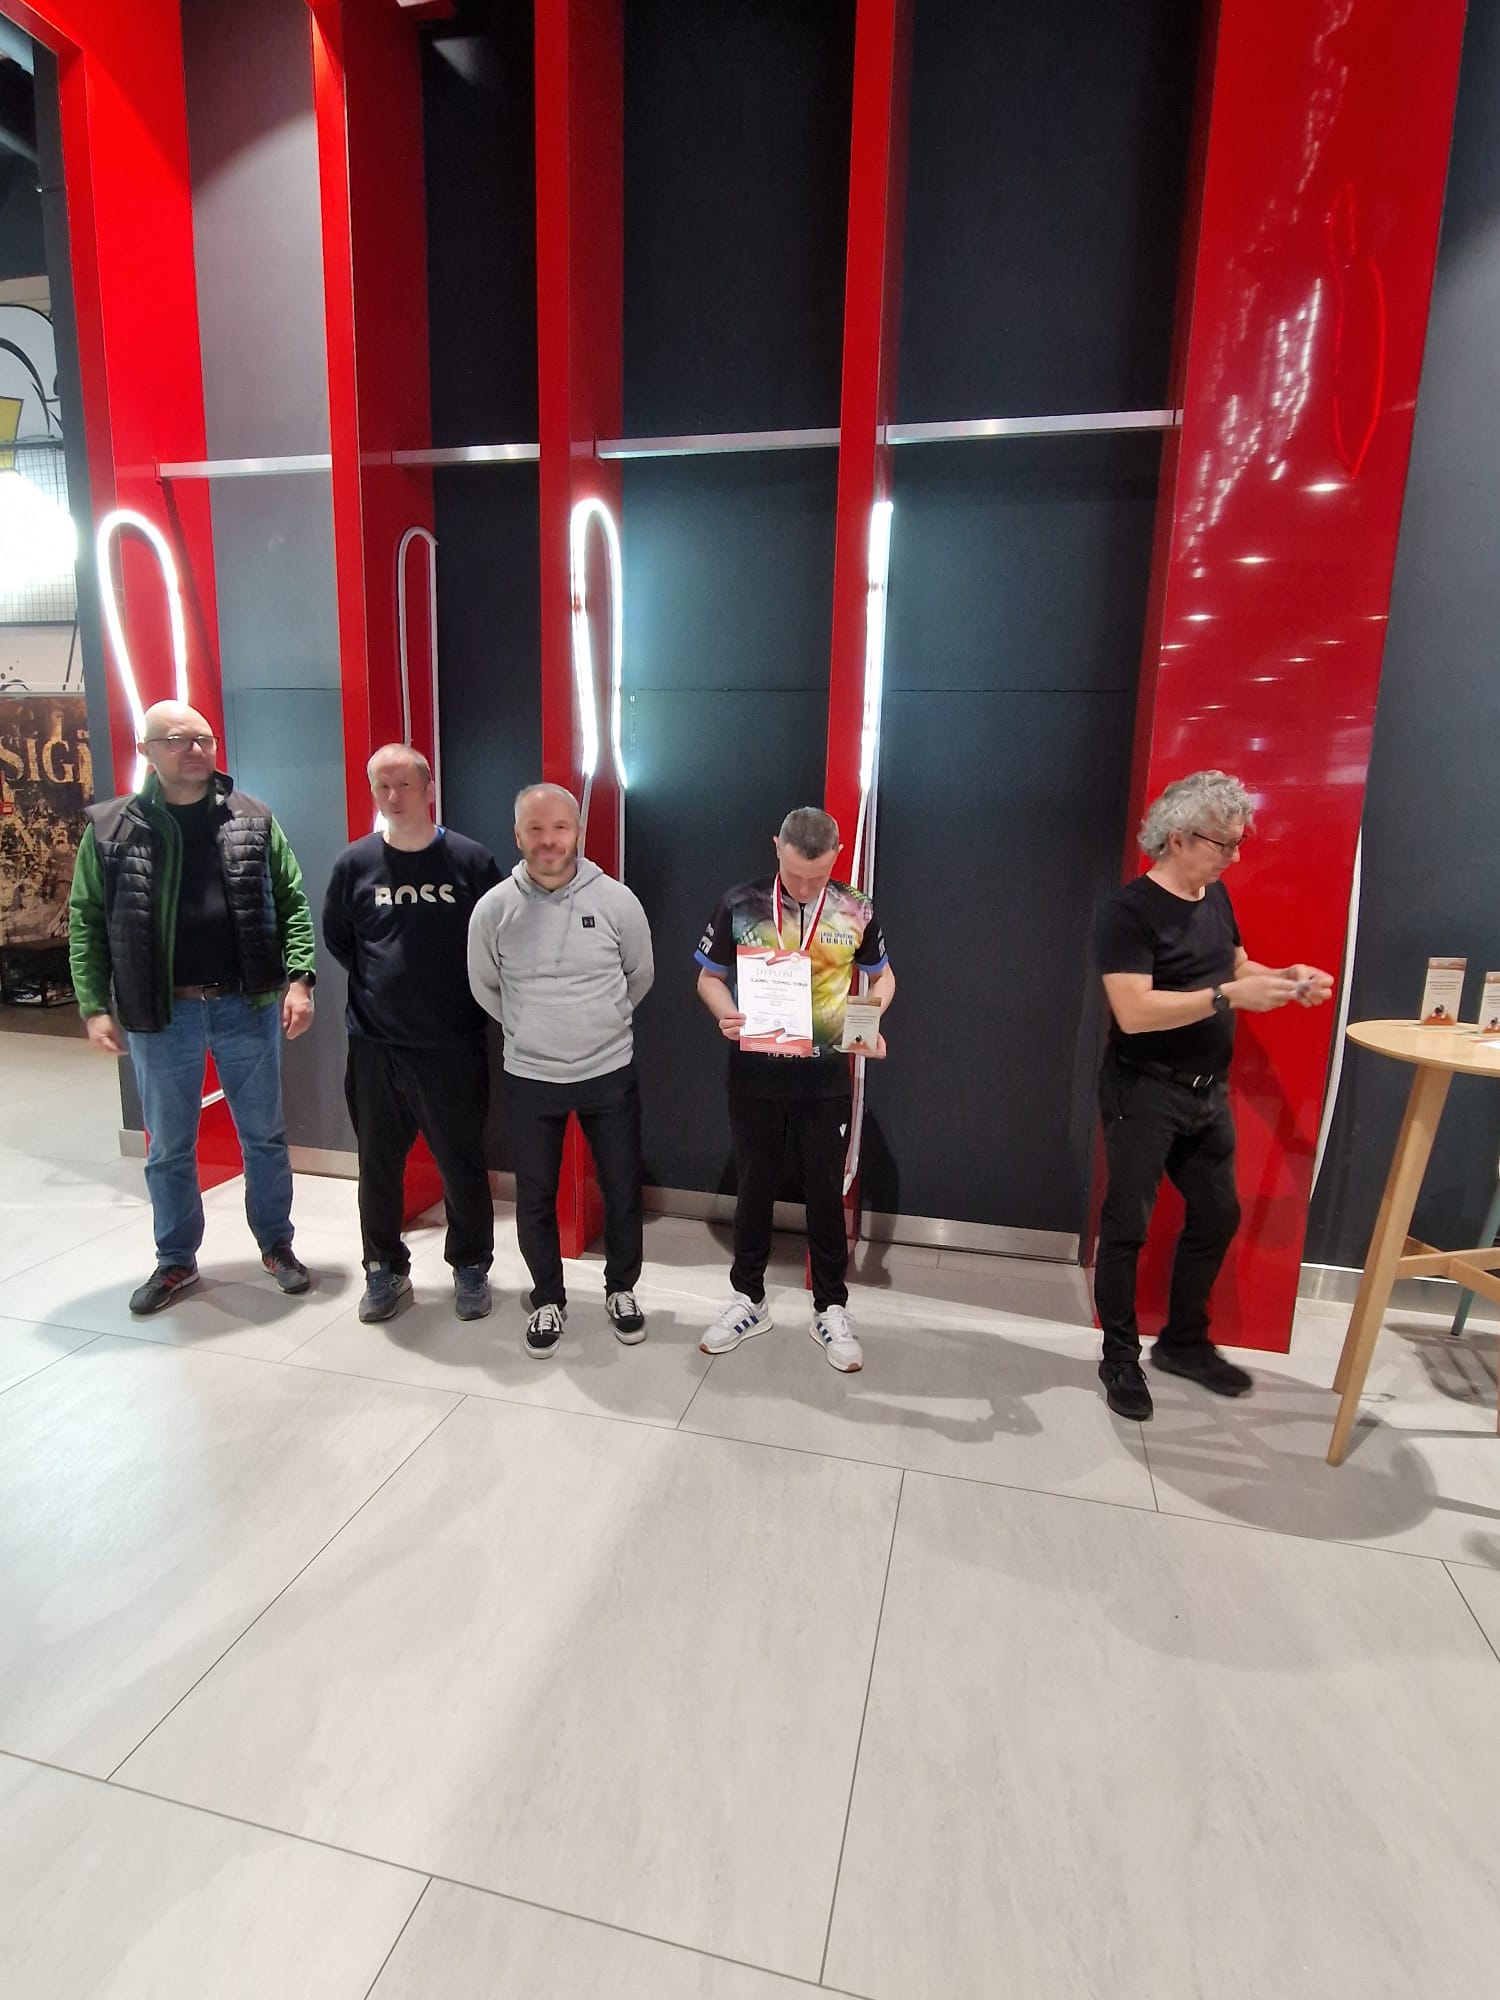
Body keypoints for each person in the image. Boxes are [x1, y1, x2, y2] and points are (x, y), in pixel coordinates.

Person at [1092, 770, 1334, 1420]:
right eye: (1223, 844)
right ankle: (1119, 1357)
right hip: (1144, 1089)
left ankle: (1183, 1342)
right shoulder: (1128, 912)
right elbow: (1134, 1012)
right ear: (1177, 838)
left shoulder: (1214, 896)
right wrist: (1228, 997)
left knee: (1218, 1213)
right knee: (1128, 1226)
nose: (1234, 857)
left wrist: (1283, 979)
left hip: (1206, 1093)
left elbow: (1234, 964)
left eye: (1237, 842)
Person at [68, 701, 317, 1313]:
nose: (196, 749)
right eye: (178, 739)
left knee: (264, 1137)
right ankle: (175, 1260)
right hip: (161, 1013)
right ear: (147, 751)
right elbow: (86, 921)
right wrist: (94, 1005)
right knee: (169, 1146)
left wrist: (300, 980)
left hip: (245, 1004)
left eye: (204, 738)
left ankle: (278, 1245)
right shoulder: (110, 828)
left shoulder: (253, 817)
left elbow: (292, 900)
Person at [694, 806, 894, 1373]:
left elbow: (882, 977)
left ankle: (830, 1307)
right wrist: (725, 1013)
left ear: (837, 858)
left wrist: (866, 1023)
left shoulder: (856, 908)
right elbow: (708, 978)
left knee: (824, 1192)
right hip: (754, 1072)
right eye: (796, 874)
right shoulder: (740, 903)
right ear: (776, 846)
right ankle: (748, 1299)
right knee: (753, 1186)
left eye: (819, 876)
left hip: (823, 1077)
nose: (806, 888)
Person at [467, 783, 654, 1356]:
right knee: (535, 1197)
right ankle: (548, 1297)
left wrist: (599, 1023)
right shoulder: (493, 908)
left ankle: (621, 1290)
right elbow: (485, 987)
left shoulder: (617, 901)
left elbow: (639, 975)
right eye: (536, 829)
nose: (548, 840)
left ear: (578, 832)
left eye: (559, 828)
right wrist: (532, 1029)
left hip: (608, 1070)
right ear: (517, 835)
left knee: (621, 1189)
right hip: (531, 1076)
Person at [322, 745, 502, 1324]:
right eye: (382, 786)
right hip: (376, 1046)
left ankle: (470, 1265)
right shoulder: (354, 864)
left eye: (404, 784)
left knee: (462, 1163)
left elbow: (499, 939)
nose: (393, 796)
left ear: (429, 788)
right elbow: (340, 940)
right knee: (377, 1164)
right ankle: (384, 1269)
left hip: (453, 1043)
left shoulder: (471, 861)